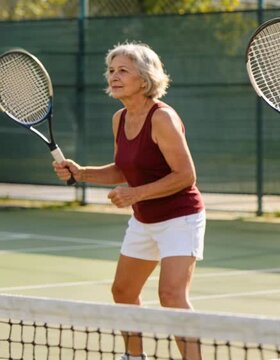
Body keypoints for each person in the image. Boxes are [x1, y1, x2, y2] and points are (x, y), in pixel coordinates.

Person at [52, 42, 205, 360]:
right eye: (110, 70)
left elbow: (185, 175)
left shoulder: (163, 118)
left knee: (172, 295)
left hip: (181, 217)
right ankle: (134, 357)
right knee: (123, 291)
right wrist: (81, 173)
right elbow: (124, 168)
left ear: (145, 77)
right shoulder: (119, 118)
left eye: (123, 70)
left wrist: (135, 193)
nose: (114, 76)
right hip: (144, 219)